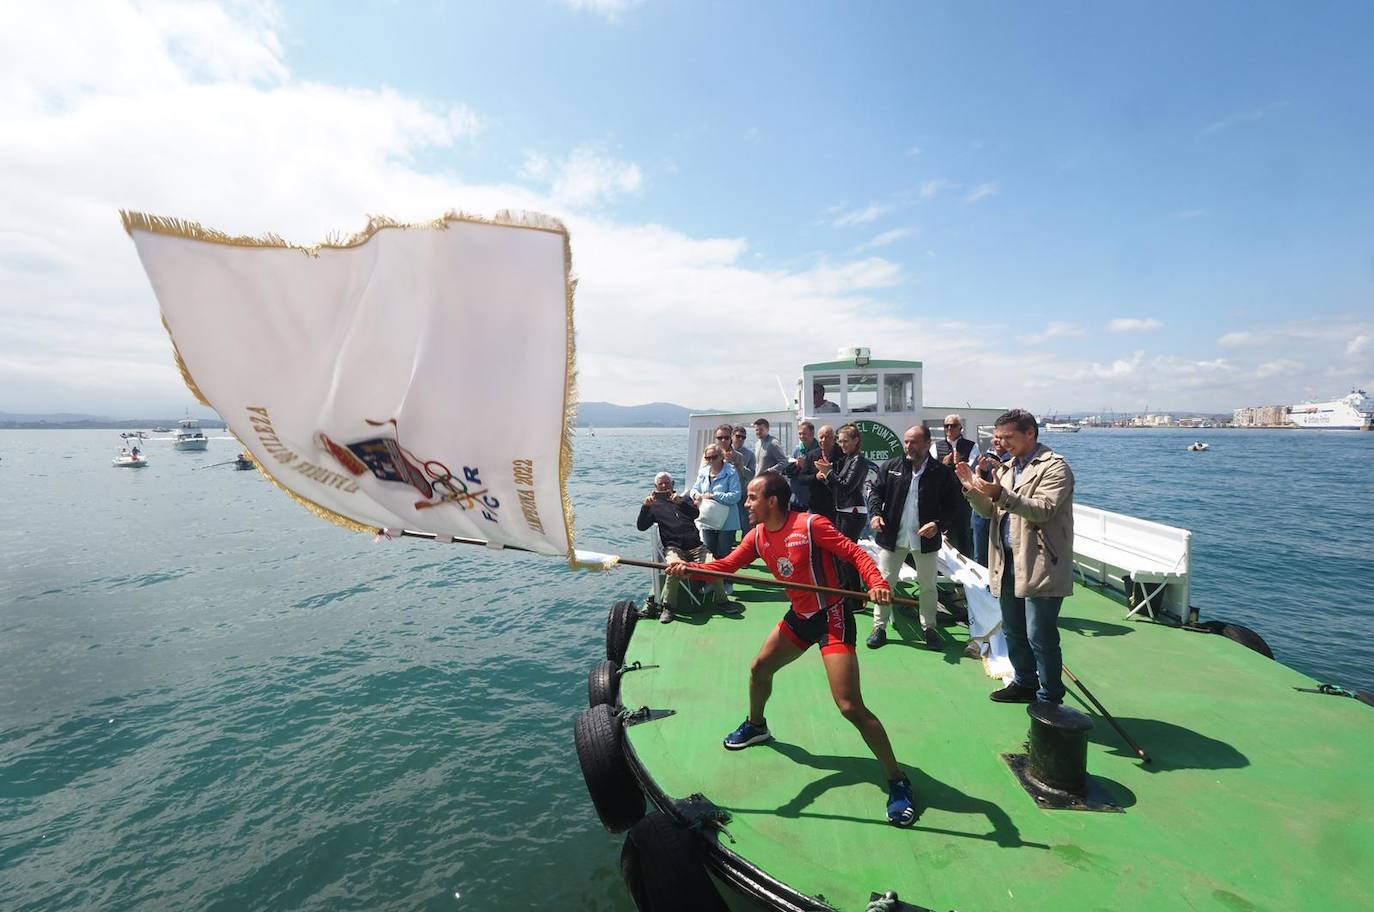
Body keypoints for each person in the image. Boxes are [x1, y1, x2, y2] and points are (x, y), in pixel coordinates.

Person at [666, 471, 917, 827]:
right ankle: (756, 725)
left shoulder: (811, 525)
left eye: (752, 497)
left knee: (849, 706)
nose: (746, 503)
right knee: (759, 669)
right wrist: (687, 569)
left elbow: (856, 554)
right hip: (800, 616)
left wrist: (876, 582)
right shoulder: (757, 536)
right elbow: (725, 567)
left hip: (832, 615)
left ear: (772, 501)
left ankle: (898, 779)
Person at [955, 409, 1075, 704]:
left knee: (1040, 636)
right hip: (1006, 561)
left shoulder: (1054, 467)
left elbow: (1043, 508)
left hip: (1040, 563)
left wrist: (1000, 494)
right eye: (1000, 438)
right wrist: (973, 490)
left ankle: (1050, 696)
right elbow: (990, 512)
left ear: (1030, 433)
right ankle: (1024, 682)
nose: (1003, 443)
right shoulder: (1008, 469)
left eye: (1009, 437)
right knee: (1013, 629)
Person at [866, 424, 963, 650]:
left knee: (928, 586)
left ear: (928, 444)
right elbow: (875, 493)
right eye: (907, 441)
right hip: (893, 536)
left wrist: (938, 524)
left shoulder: (941, 473)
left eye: (914, 442)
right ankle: (879, 627)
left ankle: (929, 627)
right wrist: (876, 514)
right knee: (885, 583)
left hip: (925, 540)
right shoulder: (892, 467)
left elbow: (954, 505)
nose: (909, 446)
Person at [636, 472, 736, 622]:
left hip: (696, 546)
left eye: (667, 483)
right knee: (674, 568)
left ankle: (722, 601)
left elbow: (695, 514)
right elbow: (641, 526)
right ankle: (668, 607)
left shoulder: (684, 499)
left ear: (673, 484)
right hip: (674, 548)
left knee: (714, 567)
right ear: (655, 487)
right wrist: (645, 507)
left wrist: (681, 502)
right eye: (660, 484)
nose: (664, 486)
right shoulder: (653, 506)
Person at [690, 442, 743, 591]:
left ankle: (727, 582)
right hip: (707, 518)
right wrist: (697, 495)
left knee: (724, 553)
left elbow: (736, 496)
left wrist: (714, 495)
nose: (711, 460)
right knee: (709, 552)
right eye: (708, 458)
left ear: (721, 456)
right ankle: (711, 582)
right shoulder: (704, 472)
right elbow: (694, 488)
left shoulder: (731, 472)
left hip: (727, 520)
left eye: (714, 457)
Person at [931, 414, 979, 559]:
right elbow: (932, 471)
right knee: (944, 533)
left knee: (963, 533)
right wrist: (944, 465)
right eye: (947, 426)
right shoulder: (935, 446)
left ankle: (968, 572)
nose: (949, 429)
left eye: (953, 425)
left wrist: (958, 464)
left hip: (963, 497)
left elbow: (970, 469)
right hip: (943, 498)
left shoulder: (971, 446)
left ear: (960, 428)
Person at [817, 423, 872, 543]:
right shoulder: (848, 458)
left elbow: (846, 487)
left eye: (845, 441)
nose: (842, 445)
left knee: (846, 554)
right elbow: (838, 487)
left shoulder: (858, 460)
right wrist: (825, 477)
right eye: (840, 441)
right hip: (844, 510)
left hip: (852, 511)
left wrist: (829, 472)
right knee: (841, 553)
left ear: (856, 440)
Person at [970, 432, 1011, 567]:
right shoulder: (983, 458)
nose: (997, 441)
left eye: (1001, 437)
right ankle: (982, 586)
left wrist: (1002, 469)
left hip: (1004, 514)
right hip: (981, 514)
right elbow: (972, 483)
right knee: (980, 554)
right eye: (995, 437)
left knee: (1005, 554)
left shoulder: (1015, 461)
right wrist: (982, 471)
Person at [717, 423, 755, 530]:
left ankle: (743, 541)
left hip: (742, 491)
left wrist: (741, 467)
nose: (740, 439)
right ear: (732, 436)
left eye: (743, 437)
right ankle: (732, 540)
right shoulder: (721, 452)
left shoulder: (749, 454)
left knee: (744, 519)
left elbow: (752, 474)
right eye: (738, 436)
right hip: (727, 491)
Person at [780, 420, 821, 512]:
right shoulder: (797, 450)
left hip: (812, 500)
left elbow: (820, 474)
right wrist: (795, 466)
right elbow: (788, 472)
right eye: (800, 434)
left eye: (804, 434)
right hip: (796, 499)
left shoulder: (819, 451)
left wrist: (805, 466)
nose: (802, 437)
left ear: (812, 434)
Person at [806, 424, 842, 522]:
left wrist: (830, 472)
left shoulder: (842, 455)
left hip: (836, 506)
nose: (824, 440)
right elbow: (801, 478)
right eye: (821, 437)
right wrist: (815, 477)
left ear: (834, 439)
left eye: (827, 437)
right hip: (816, 505)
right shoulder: (811, 455)